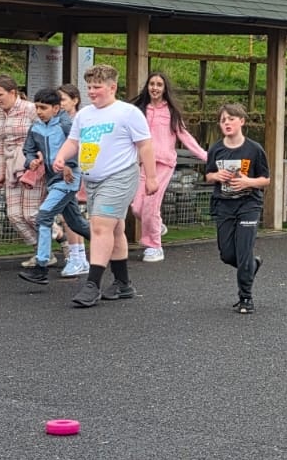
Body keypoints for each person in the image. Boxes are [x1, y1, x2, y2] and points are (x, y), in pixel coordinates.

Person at [53, 64, 157, 308]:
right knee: (115, 228)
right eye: (89, 87)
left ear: (112, 88)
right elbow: (73, 141)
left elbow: (145, 145)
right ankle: (123, 283)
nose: (91, 91)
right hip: (92, 180)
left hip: (119, 176)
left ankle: (92, 284)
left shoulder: (128, 113)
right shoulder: (84, 115)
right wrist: (61, 156)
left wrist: (151, 177)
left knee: (99, 226)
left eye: (97, 87)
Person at [129, 70, 207, 261]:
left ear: (164, 89)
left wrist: (206, 156)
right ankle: (157, 225)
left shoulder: (171, 112)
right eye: (152, 84)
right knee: (137, 208)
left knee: (151, 205)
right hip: (143, 163)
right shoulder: (139, 111)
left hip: (164, 163)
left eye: (159, 85)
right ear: (147, 87)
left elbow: (185, 136)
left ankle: (154, 246)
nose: (155, 88)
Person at [18, 88, 92, 286]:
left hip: (68, 181)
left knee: (43, 216)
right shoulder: (36, 127)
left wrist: (69, 164)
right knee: (77, 224)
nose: (39, 111)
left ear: (56, 108)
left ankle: (41, 267)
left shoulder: (66, 124)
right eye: (37, 107)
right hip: (52, 180)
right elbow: (28, 150)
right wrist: (32, 161)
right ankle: (109, 244)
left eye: (43, 108)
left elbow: (79, 147)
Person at [204, 103, 270, 315]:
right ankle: (252, 265)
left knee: (243, 251)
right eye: (223, 120)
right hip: (224, 204)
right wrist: (216, 176)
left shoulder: (254, 149)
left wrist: (247, 182)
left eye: (231, 119)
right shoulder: (216, 149)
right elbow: (208, 175)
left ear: (241, 121)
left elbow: (265, 179)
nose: (227, 123)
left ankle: (246, 297)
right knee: (227, 254)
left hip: (249, 205)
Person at [0, 75, 42, 260]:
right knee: (14, 215)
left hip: (31, 164)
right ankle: (41, 251)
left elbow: (46, 132)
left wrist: (40, 157)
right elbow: (1, 143)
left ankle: (64, 242)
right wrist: (1, 172)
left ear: (12, 92)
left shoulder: (30, 109)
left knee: (31, 214)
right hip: (11, 164)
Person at [54, 83, 90, 272]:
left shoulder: (80, 121)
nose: (59, 103)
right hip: (61, 172)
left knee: (71, 216)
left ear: (75, 100)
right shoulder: (58, 121)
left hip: (76, 172)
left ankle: (77, 257)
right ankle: (79, 257)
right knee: (70, 216)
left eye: (63, 99)